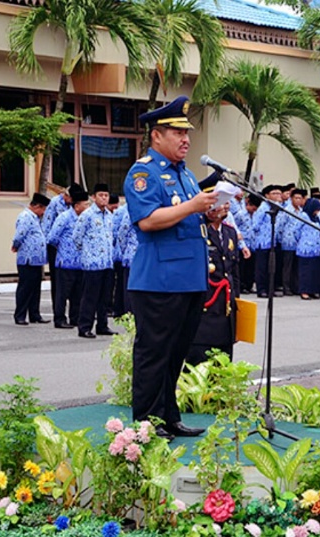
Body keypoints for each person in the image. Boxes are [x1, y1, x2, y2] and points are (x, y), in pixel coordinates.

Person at [123, 96, 218, 440]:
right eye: (177, 133)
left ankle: (169, 416)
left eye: (187, 133)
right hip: (159, 281)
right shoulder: (144, 172)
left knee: (177, 353)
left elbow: (187, 214)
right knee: (154, 353)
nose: (186, 140)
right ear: (156, 136)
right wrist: (193, 205)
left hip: (189, 279)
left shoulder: (187, 175)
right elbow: (147, 221)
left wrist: (209, 211)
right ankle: (146, 422)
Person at [186, 202, 241, 366]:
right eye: (221, 202)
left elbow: (234, 273)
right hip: (205, 311)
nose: (226, 206)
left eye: (228, 202)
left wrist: (236, 305)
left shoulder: (230, 232)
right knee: (199, 365)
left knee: (223, 365)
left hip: (225, 310)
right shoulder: (198, 232)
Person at [73, 183, 117, 338]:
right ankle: (84, 326)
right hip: (92, 263)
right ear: (93, 197)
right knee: (90, 297)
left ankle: (102, 325)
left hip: (107, 262)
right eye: (101, 195)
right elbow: (76, 237)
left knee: (105, 297)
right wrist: (87, 252)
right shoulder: (87, 215)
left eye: (106, 195)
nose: (104, 198)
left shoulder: (110, 217)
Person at [46, 189, 90, 328]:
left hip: (80, 262)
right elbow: (52, 237)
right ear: (77, 206)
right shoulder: (64, 217)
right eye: (86, 204)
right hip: (65, 262)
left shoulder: (85, 219)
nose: (88, 207)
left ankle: (75, 318)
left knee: (77, 294)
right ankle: (59, 319)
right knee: (62, 293)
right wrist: (64, 248)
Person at [12, 193, 50, 325]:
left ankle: (35, 314)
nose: (44, 212)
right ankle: (20, 315)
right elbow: (19, 235)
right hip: (27, 258)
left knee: (35, 288)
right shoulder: (25, 217)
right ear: (37, 207)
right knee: (25, 287)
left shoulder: (35, 218)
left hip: (36, 259)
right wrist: (15, 246)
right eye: (43, 209)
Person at [278, 189, 305, 296]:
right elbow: (280, 226)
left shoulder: (301, 211)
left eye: (300, 198)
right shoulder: (286, 211)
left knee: (296, 266)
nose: (298, 200)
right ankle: (286, 286)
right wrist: (281, 239)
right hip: (288, 241)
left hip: (298, 242)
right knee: (287, 266)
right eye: (296, 198)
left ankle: (295, 286)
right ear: (291, 198)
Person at [296, 197, 320, 300]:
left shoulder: (316, 219)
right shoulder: (303, 216)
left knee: (314, 271)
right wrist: (301, 241)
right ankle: (304, 291)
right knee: (305, 271)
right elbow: (296, 231)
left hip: (315, 249)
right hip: (305, 248)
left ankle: (312, 290)